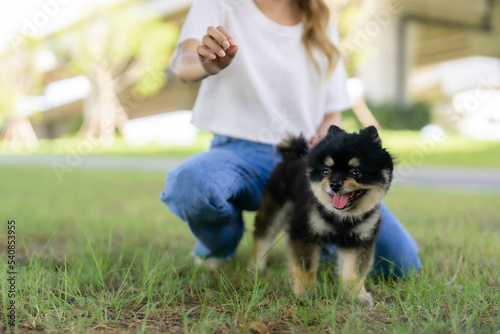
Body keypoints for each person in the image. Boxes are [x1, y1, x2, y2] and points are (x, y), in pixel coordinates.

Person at [160, 0, 421, 277]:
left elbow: (331, 112)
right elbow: (182, 63)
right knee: (190, 185)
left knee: (401, 264)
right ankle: (220, 243)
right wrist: (204, 64)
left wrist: (324, 139)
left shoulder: (321, 23)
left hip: (303, 161)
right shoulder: (220, 5)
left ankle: (319, 237)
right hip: (236, 154)